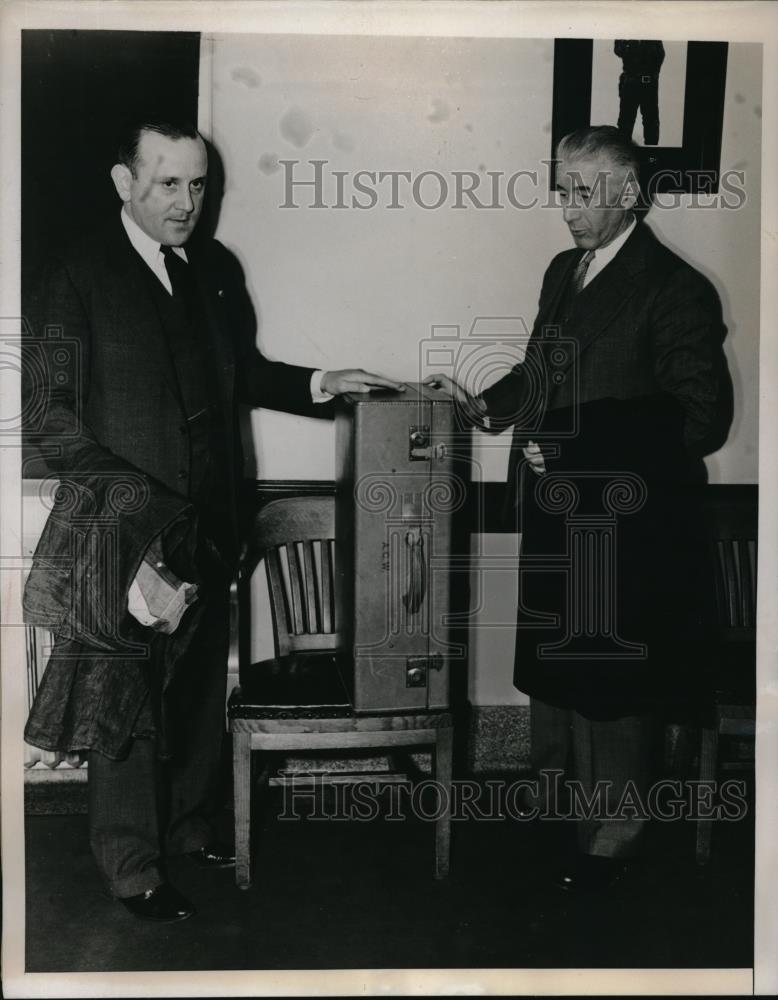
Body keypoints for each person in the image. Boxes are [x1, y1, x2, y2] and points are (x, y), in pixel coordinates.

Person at [22, 118, 403, 922]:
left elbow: (246, 374)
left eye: (199, 185)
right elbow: (48, 420)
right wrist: (136, 510)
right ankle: (132, 866)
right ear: (125, 183)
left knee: (196, 686)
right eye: (169, 183)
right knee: (124, 701)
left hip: (211, 522)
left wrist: (325, 378)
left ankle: (191, 827)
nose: (187, 202)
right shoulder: (72, 273)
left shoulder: (216, 270)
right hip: (124, 531)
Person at [426, 125, 732, 893]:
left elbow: (701, 417)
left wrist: (576, 445)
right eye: (562, 189)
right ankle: (567, 823)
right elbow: (540, 371)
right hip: (554, 513)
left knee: (614, 686)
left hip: (625, 527)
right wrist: (473, 405)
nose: (567, 207)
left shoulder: (677, 287)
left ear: (629, 193)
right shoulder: (565, 269)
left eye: (584, 190)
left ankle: (615, 844)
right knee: (563, 678)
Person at [614, 40, 665, 146]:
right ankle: (624, 152)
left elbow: (660, 54)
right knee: (625, 122)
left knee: (651, 122)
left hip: (649, 83)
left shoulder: (652, 32)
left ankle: (651, 153)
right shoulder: (626, 30)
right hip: (630, 82)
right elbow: (618, 50)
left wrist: (653, 75)